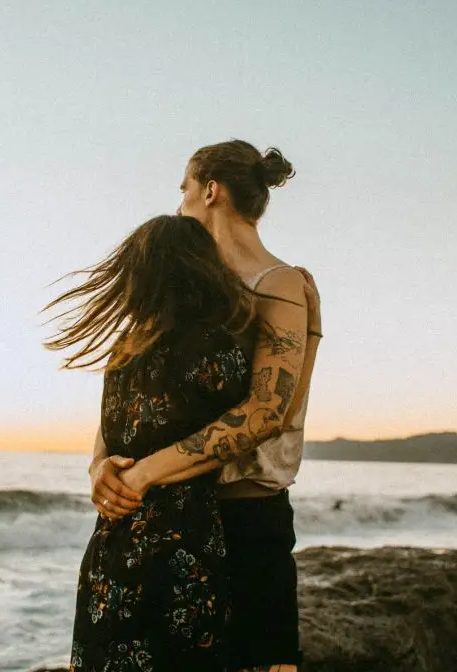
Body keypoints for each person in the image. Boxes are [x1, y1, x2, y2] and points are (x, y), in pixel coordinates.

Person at [90, 141, 322, 672]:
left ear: (210, 190)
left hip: (243, 517)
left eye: (184, 189)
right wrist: (102, 464)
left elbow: (268, 412)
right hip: (163, 519)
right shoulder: (177, 285)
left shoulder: (278, 283)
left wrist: (144, 473)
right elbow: (130, 386)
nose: (178, 204)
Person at [46, 214, 260, 671]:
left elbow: (109, 434)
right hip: (183, 543)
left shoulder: (126, 349)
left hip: (112, 543)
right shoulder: (215, 346)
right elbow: (246, 431)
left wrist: (99, 468)